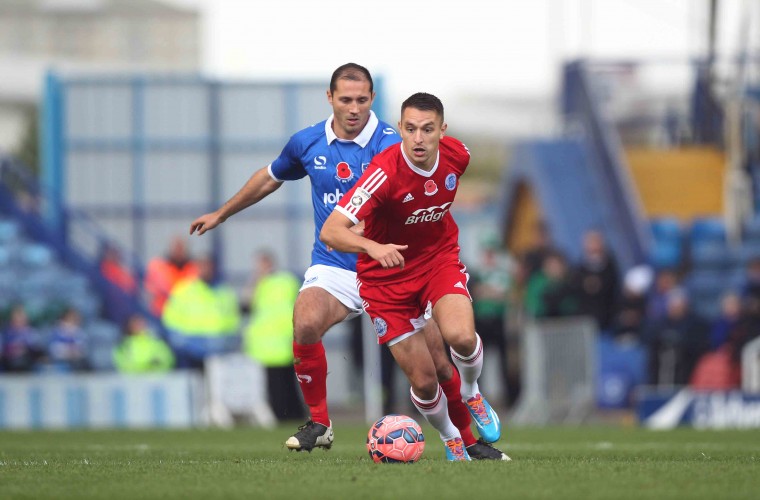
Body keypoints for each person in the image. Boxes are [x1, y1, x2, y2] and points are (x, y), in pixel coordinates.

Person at [190, 64, 505, 460]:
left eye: (361, 100)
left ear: (372, 101)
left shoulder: (398, 144)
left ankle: (468, 441)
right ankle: (320, 423)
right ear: (330, 98)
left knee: (440, 367)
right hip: (338, 264)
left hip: (399, 268)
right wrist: (222, 213)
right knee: (305, 320)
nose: (353, 108)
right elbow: (271, 177)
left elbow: (436, 187)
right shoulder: (307, 143)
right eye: (345, 100)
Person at [321, 92, 507, 461]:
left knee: (461, 337)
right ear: (400, 130)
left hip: (437, 261)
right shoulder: (383, 173)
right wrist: (373, 247)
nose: (418, 138)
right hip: (384, 281)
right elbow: (331, 230)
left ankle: (472, 392)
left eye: (426, 129)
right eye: (409, 129)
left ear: (442, 130)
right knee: (424, 378)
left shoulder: (459, 155)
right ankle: (453, 439)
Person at [243, 250, 305, 421]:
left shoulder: (285, 281)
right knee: (276, 385)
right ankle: (283, 415)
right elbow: (246, 304)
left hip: (282, 340)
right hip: (268, 344)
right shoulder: (260, 283)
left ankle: (291, 415)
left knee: (287, 383)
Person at [161, 256, 241, 369]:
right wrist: (186, 343)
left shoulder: (225, 293)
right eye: (202, 266)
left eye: (207, 266)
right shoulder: (184, 290)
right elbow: (170, 320)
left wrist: (226, 342)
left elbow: (233, 322)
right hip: (189, 351)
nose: (205, 270)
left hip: (219, 351)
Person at [470, 236, 512, 407]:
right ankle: (477, 401)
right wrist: (492, 292)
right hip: (481, 322)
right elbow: (476, 293)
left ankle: (509, 399)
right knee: (478, 364)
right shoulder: (478, 274)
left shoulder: (501, 273)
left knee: (503, 362)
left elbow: (504, 296)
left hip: (497, 321)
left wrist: (486, 292)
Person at [144, 236, 199, 316]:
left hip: (187, 315)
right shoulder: (159, 266)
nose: (179, 251)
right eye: (176, 247)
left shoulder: (194, 268)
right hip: (161, 313)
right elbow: (151, 290)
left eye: (181, 248)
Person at [2, 304, 44, 372]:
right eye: (16, 318)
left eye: (21, 318)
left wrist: (24, 349)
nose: (18, 320)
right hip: (8, 364)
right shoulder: (5, 333)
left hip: (27, 364)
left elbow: (36, 349)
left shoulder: (31, 333)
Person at [47, 307, 89, 372]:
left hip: (77, 361)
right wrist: (69, 352)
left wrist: (75, 352)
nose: (74, 320)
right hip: (60, 361)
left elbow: (82, 348)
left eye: (75, 318)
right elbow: (54, 350)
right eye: (71, 318)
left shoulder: (79, 332)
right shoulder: (57, 332)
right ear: (64, 318)